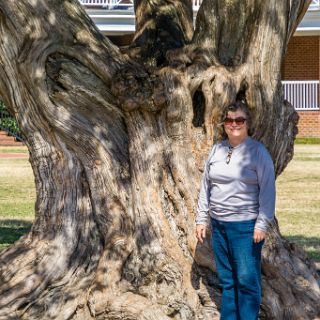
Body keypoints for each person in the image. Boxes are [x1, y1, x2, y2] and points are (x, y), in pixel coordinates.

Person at [195, 101, 275, 320]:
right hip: (218, 225)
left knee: (247, 282)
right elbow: (206, 185)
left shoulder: (257, 152)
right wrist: (201, 219)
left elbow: (268, 191)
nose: (234, 124)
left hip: (245, 228)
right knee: (228, 282)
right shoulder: (217, 149)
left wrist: (261, 224)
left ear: (247, 123)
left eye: (239, 120)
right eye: (229, 120)